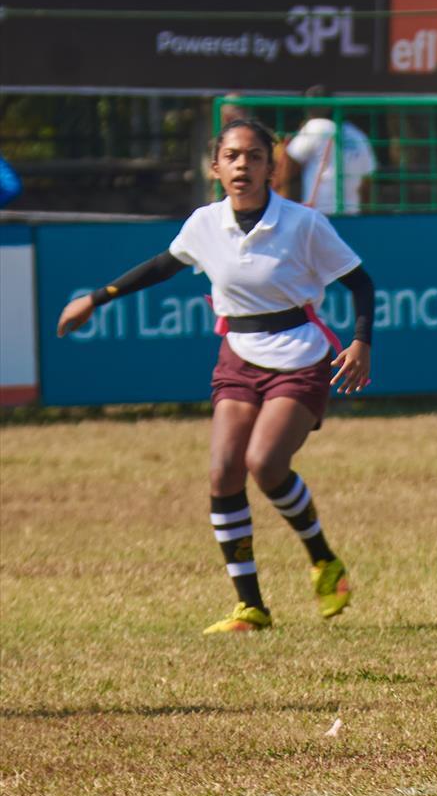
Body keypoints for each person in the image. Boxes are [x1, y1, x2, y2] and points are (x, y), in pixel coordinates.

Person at [56, 119, 376, 634]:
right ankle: (250, 606)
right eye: (232, 156)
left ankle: (323, 559)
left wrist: (361, 341)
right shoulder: (206, 223)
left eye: (253, 156)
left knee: (265, 464)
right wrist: (95, 299)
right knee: (224, 470)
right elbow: (163, 265)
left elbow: (361, 283)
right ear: (215, 167)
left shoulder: (303, 224)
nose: (242, 165)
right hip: (238, 357)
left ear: (271, 167)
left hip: (299, 355)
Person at [282, 85, 377, 215]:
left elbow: (285, 170)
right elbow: (367, 183)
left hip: (318, 214)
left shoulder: (315, 127)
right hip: (352, 214)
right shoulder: (357, 134)